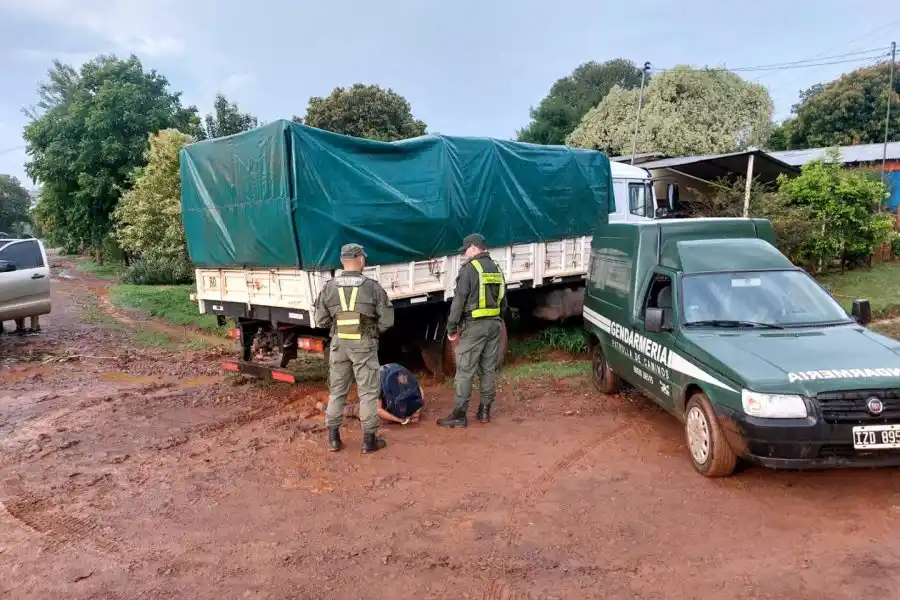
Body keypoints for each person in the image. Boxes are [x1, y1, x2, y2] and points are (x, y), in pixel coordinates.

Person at [314, 243, 394, 454]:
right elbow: (387, 320)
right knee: (367, 393)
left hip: (339, 343)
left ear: (342, 261)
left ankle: (333, 439)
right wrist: (372, 332)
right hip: (363, 343)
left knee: (337, 391)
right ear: (360, 260)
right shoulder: (372, 286)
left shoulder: (329, 287)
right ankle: (369, 441)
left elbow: (321, 320)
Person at [438, 233, 507, 428]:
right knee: (488, 369)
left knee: (465, 371)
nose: (464, 254)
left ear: (475, 248)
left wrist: (451, 328)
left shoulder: (469, 269)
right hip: (494, 325)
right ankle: (484, 411)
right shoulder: (497, 268)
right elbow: (504, 301)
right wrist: (497, 321)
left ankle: (459, 415)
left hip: (474, 327)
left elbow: (458, 302)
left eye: (466, 249)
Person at [315, 363, 425, 425]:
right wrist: (398, 420)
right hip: (375, 396)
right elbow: (377, 410)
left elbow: (419, 390)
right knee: (356, 410)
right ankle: (323, 407)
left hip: (386, 385)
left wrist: (417, 409)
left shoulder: (403, 375)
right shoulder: (375, 384)